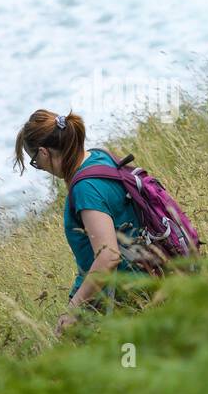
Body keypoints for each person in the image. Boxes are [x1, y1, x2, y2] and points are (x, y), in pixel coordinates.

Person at [13, 107, 148, 337]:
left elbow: (109, 256)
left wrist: (73, 310)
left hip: (128, 301)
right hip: (147, 277)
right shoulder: (99, 156)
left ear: (44, 153)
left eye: (35, 162)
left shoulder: (85, 188)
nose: (41, 169)